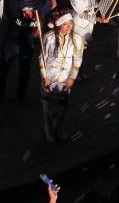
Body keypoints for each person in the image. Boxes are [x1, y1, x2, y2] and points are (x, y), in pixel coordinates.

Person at [0, 0, 53, 100]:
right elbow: (54, 2)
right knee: (25, 69)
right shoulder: (41, 4)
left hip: (12, 40)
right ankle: (21, 92)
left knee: (4, 66)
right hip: (28, 42)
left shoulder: (12, 2)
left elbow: (6, 15)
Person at [39, 11, 84, 142]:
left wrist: (72, 78)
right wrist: (44, 76)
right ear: (59, 25)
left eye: (71, 23)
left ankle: (58, 127)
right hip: (49, 76)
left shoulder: (77, 39)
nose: (69, 26)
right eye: (65, 24)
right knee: (46, 102)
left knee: (63, 103)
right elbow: (42, 57)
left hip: (64, 77)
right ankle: (47, 127)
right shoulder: (49, 37)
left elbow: (77, 60)